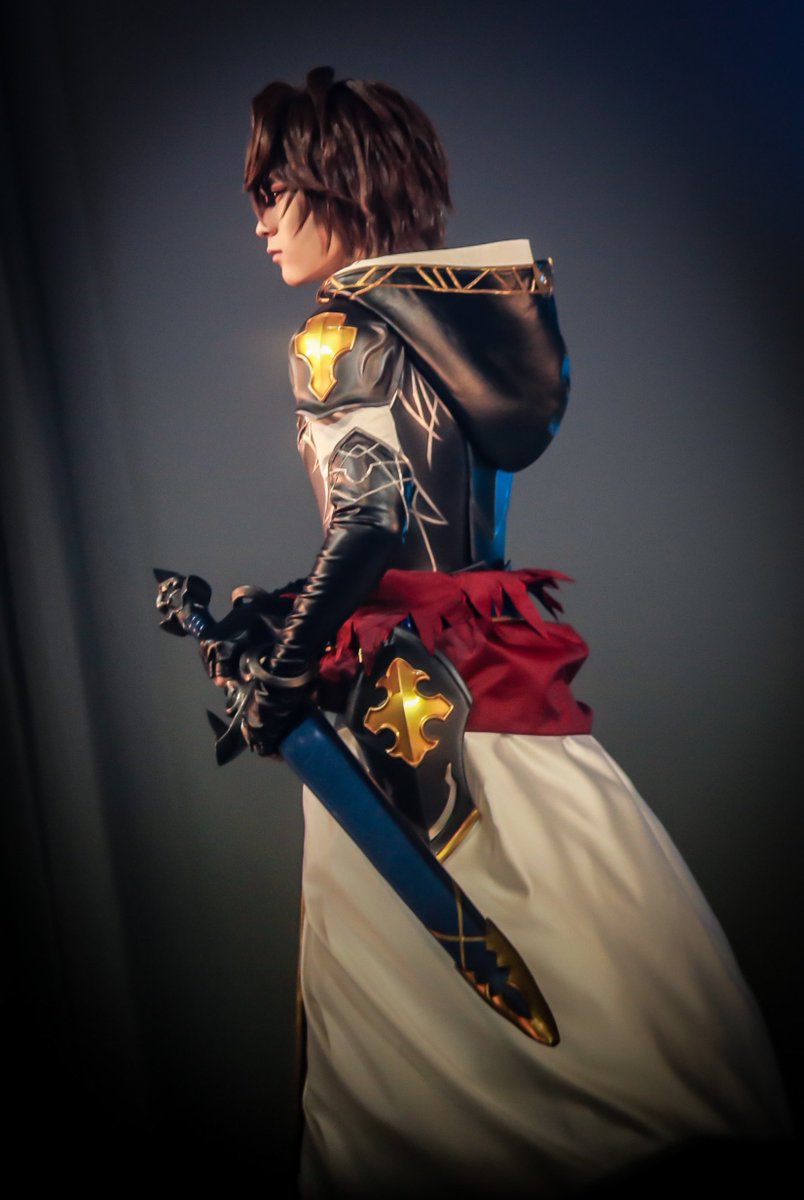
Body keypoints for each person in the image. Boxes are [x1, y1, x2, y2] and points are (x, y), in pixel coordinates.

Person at [230, 66, 790, 1197]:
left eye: (276, 192)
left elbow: (371, 523)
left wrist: (285, 672)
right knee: (598, 925)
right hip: (489, 657)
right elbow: (415, 536)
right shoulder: (452, 328)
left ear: (337, 186)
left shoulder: (334, 334)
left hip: (397, 709)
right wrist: (283, 608)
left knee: (394, 1014)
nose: (261, 221)